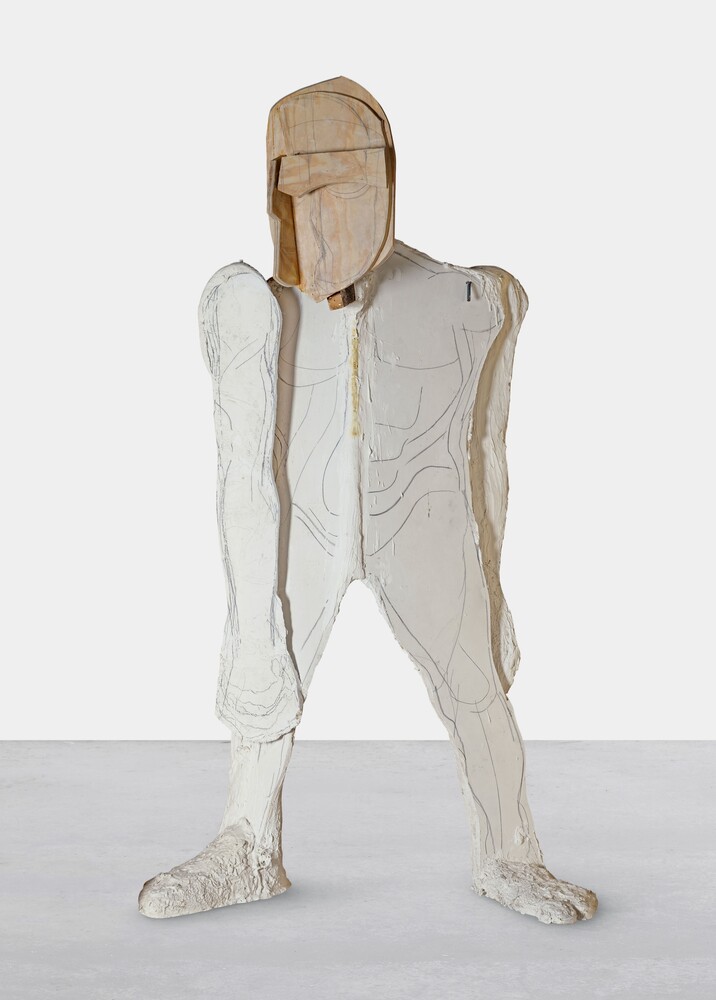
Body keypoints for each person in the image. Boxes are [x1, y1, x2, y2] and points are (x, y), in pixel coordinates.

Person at [138, 77, 598, 924]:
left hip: (424, 521)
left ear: (386, 179)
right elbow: (242, 469)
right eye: (298, 187)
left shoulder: (470, 301)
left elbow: (487, 452)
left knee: (477, 690)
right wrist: (250, 626)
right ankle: (247, 845)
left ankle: (510, 853)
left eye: (343, 185)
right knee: (268, 683)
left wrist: (496, 591)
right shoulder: (252, 307)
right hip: (301, 522)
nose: (319, 212)